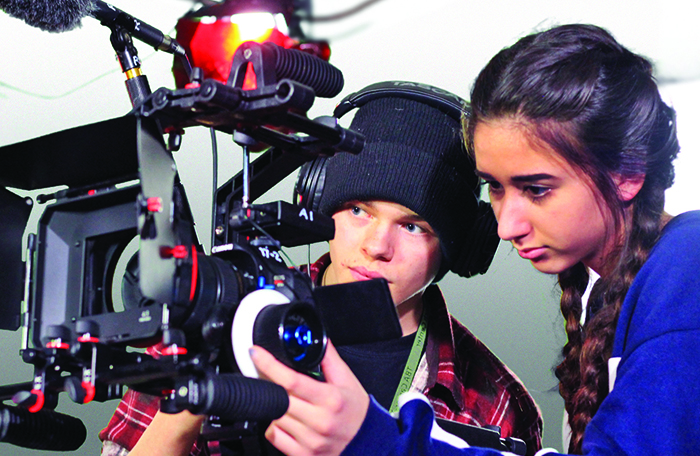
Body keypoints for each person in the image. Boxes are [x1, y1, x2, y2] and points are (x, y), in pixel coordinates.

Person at [250, 23, 700, 456]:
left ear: (626, 175)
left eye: (537, 189)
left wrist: (378, 442)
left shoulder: (687, 271)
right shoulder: (620, 296)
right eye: (497, 188)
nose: (506, 227)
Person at [99, 82, 543, 455]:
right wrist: (194, 394)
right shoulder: (209, 315)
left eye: (412, 226)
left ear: (459, 251)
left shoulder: (497, 400)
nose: (375, 246)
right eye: (358, 210)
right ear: (318, 204)